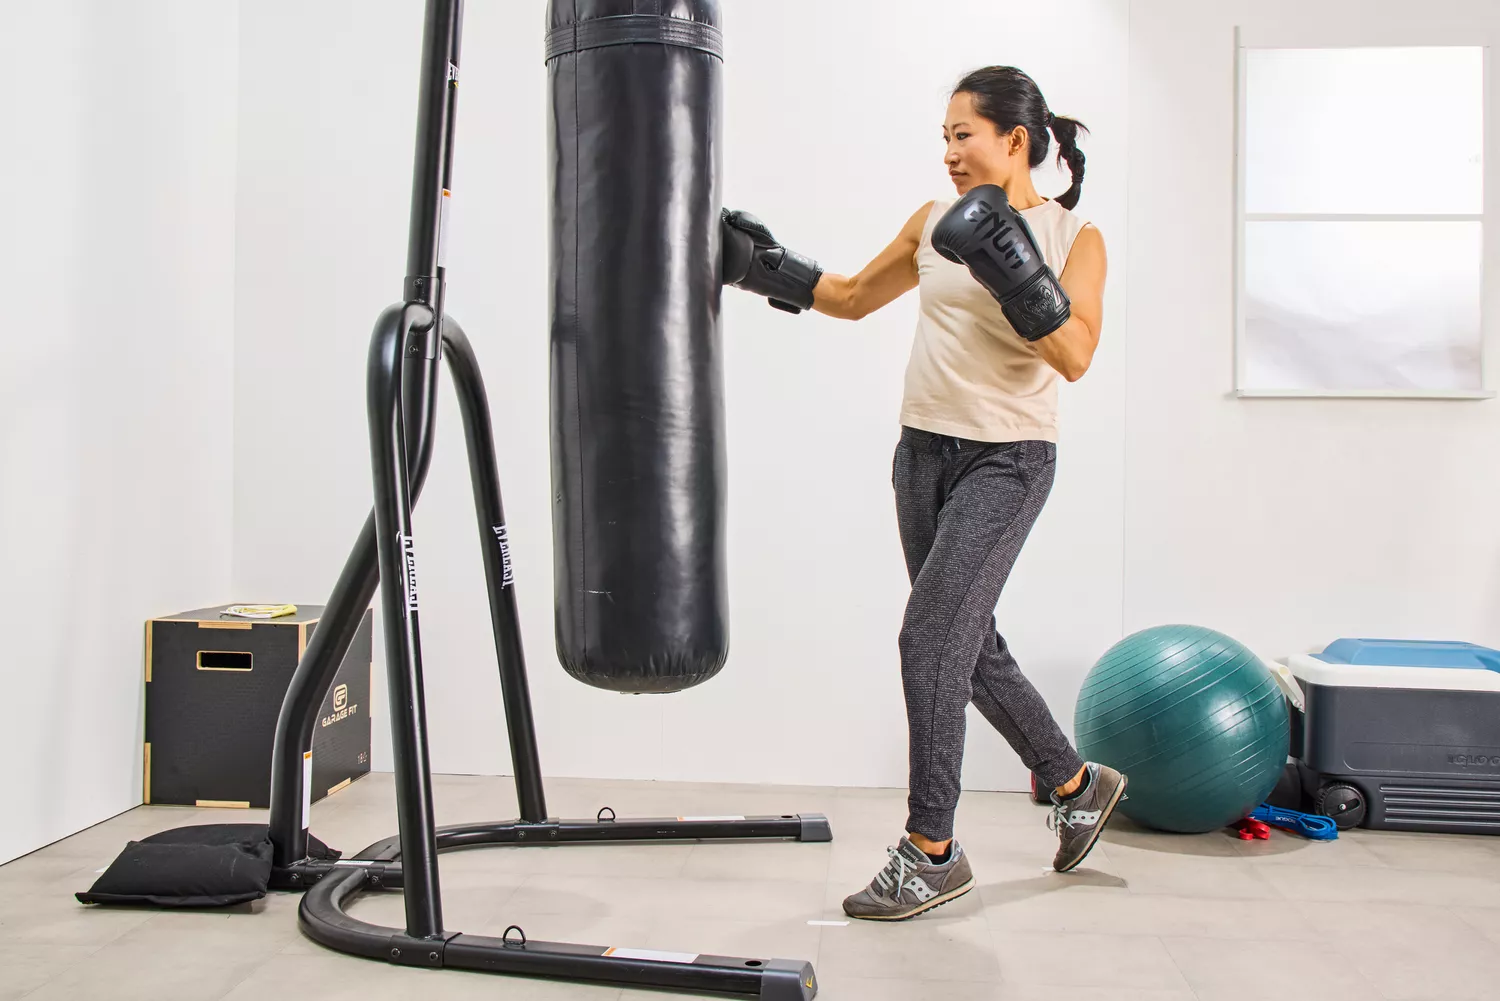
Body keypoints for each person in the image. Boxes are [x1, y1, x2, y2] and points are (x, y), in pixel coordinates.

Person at [721, 65, 1127, 921]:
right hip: (922, 455)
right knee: (969, 646)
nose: (948, 152)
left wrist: (1013, 271)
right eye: (943, 136)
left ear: (1014, 141)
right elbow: (851, 297)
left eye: (963, 134)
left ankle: (932, 849)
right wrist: (760, 267)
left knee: (930, 636)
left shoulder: (1073, 236)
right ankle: (1076, 783)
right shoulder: (930, 223)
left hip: (1008, 460)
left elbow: (1076, 356)